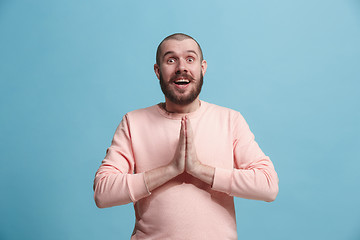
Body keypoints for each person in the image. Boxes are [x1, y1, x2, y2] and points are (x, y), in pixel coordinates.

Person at [93, 33, 279, 239]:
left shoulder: (230, 120)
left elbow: (268, 185)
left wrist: (199, 170)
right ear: (157, 71)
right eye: (170, 60)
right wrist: (170, 170)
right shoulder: (133, 122)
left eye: (190, 59)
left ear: (203, 67)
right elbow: (103, 193)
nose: (181, 67)